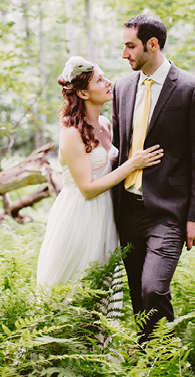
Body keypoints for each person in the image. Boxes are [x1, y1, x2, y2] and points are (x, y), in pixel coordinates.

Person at [111, 14, 195, 342]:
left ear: (152, 45)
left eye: (130, 46)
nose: (124, 54)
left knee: (153, 288)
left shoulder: (192, 89)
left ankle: (169, 357)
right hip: (126, 210)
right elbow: (118, 145)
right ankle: (148, 356)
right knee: (138, 297)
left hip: (168, 212)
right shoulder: (122, 87)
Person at [37, 56, 163, 288]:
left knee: (100, 291)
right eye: (99, 81)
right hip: (80, 217)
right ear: (83, 93)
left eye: (105, 77)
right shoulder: (71, 133)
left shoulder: (105, 124)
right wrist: (132, 165)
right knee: (75, 290)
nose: (108, 83)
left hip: (107, 213)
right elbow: (87, 189)